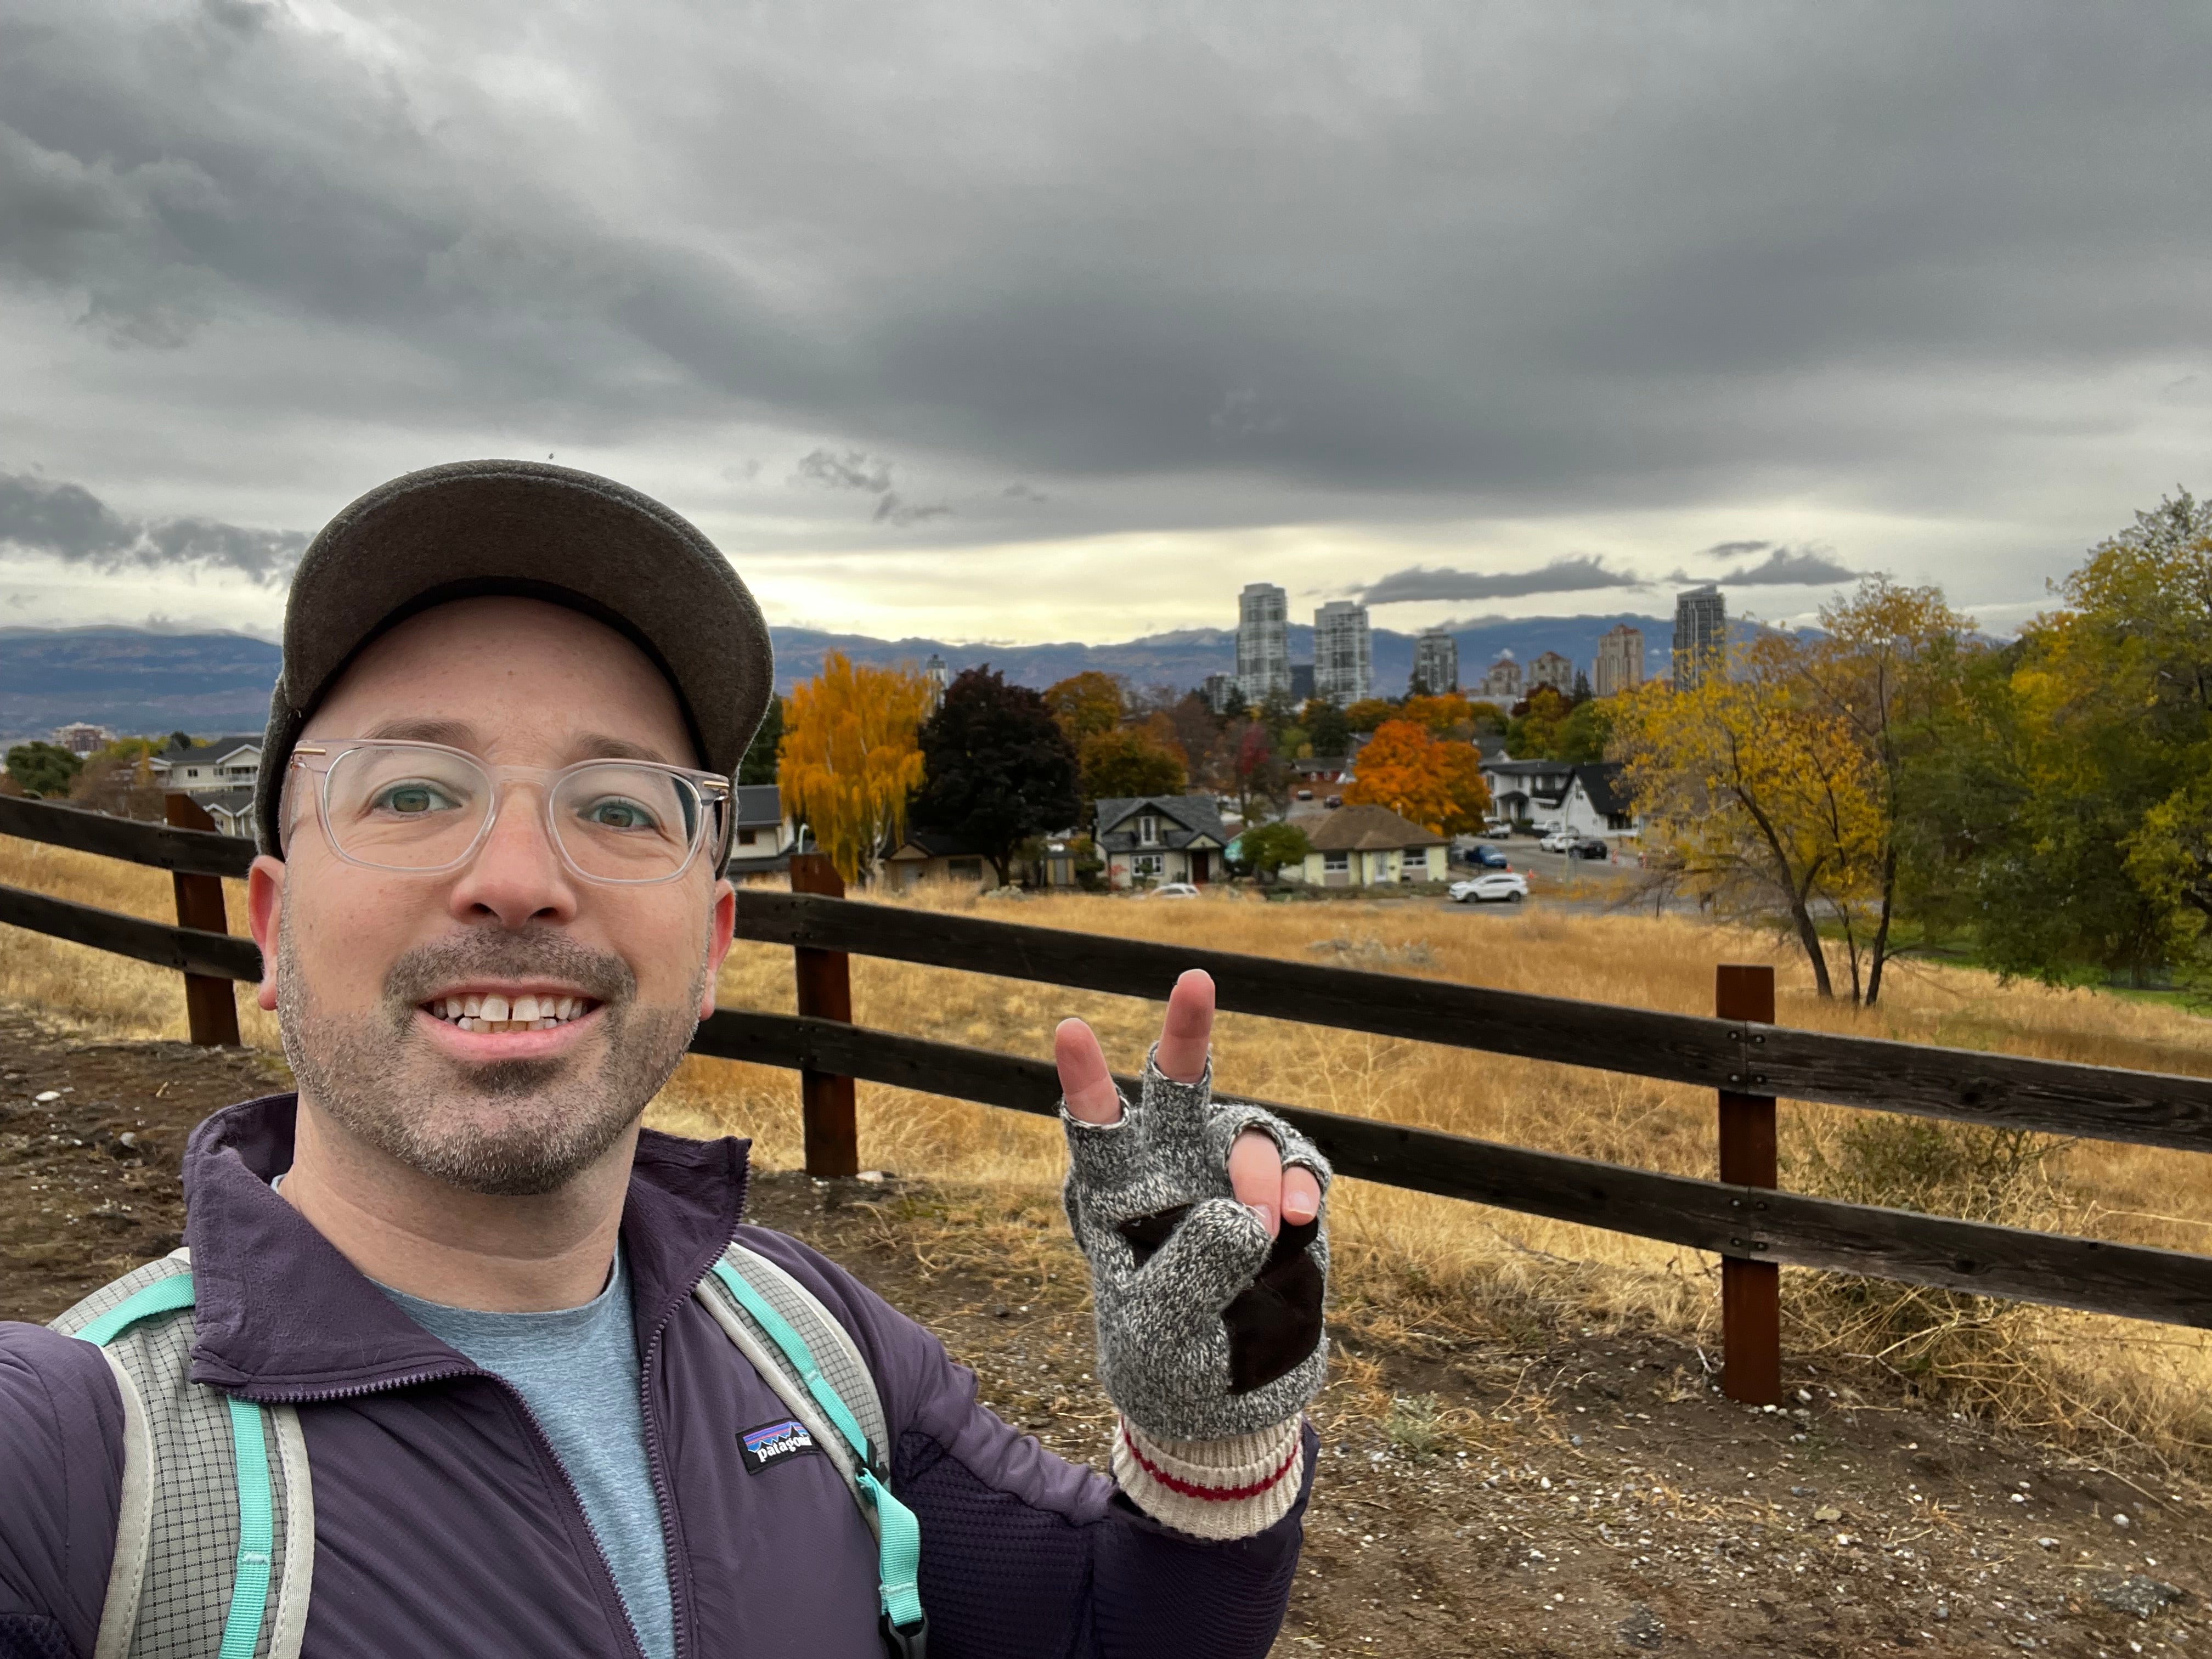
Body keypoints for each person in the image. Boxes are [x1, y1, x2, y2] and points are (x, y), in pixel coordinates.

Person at [0, 460, 1331, 1658]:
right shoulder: (85, 1472)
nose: (515, 880)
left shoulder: (811, 1344)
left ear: (709, 946)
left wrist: (1217, 1439)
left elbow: (1105, 1635)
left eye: (622, 807)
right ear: (274, 929)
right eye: (412, 791)